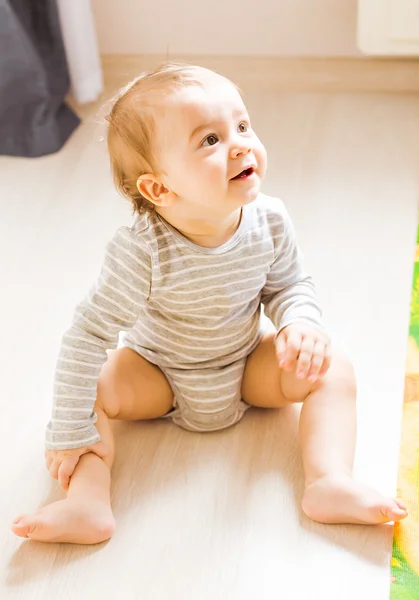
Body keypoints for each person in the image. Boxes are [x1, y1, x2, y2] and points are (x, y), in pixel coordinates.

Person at [12, 63, 407, 544]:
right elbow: (89, 335)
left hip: (246, 367)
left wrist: (298, 325)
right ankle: (87, 502)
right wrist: (70, 425)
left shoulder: (270, 220)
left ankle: (328, 481)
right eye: (210, 141)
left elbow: (289, 285)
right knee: (89, 390)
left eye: (241, 126)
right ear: (159, 188)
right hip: (158, 374)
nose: (240, 143)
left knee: (334, 368)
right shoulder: (143, 250)